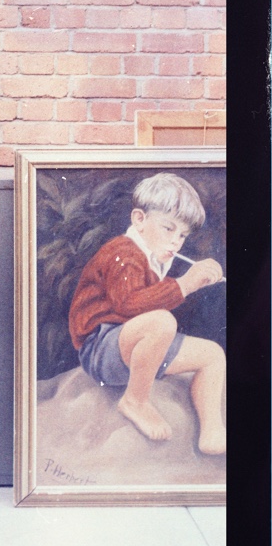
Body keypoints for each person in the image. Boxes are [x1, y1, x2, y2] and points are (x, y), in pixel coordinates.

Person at [68, 172, 226, 455]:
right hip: (101, 348)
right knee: (162, 322)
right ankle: (135, 400)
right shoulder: (123, 253)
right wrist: (184, 284)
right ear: (139, 219)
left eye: (182, 235)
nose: (176, 242)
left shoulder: (152, 256)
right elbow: (127, 304)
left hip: (136, 343)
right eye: (168, 229)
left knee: (212, 355)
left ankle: (212, 431)